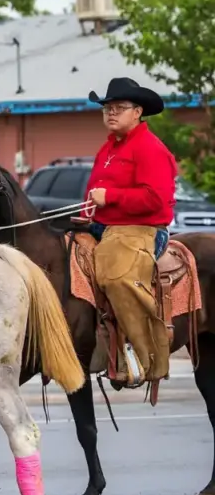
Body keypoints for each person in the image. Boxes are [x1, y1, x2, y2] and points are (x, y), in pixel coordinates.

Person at [83, 77, 177, 386]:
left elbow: (155, 199)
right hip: (104, 226)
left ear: (137, 112)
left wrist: (110, 197)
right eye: (107, 108)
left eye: (119, 107)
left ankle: (148, 358)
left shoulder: (150, 149)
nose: (111, 113)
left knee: (116, 276)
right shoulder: (106, 149)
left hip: (142, 229)